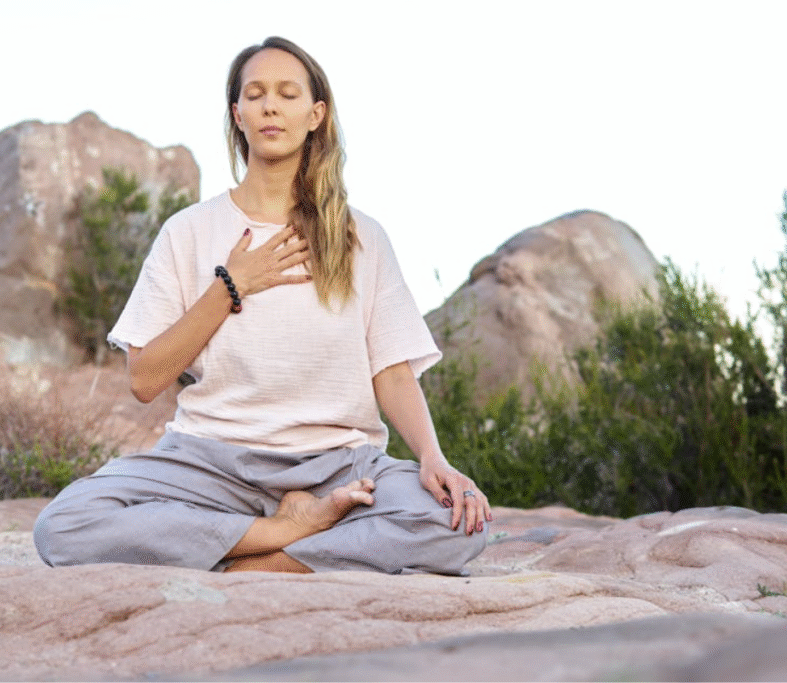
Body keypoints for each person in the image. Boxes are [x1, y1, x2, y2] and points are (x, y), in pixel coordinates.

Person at [33, 36, 491, 574]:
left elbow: (390, 371)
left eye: (287, 94)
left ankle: (254, 565)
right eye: (255, 95)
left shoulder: (361, 237)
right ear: (238, 114)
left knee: (454, 524)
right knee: (65, 525)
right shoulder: (188, 231)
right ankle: (285, 532)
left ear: (315, 114)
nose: (270, 106)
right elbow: (144, 378)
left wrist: (433, 458)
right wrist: (230, 287)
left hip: (337, 467)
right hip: (208, 463)